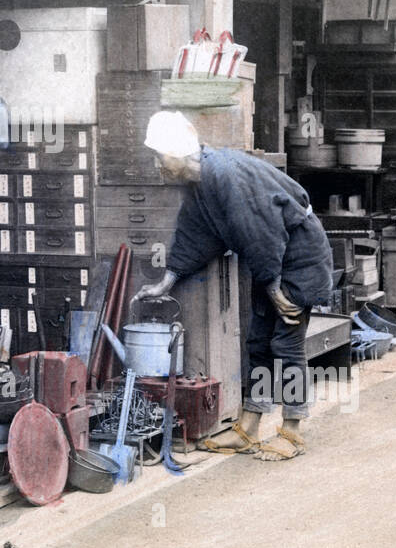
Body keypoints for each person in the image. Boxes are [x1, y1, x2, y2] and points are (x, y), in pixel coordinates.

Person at [135, 111, 333, 460]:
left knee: (287, 345)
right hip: (271, 263)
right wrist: (166, 282)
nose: (156, 164)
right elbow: (195, 234)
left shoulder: (225, 175)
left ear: (177, 154)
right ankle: (248, 428)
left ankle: (292, 430)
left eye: (159, 155)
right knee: (258, 343)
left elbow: (261, 232)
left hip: (298, 257)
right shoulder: (201, 182)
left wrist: (273, 288)